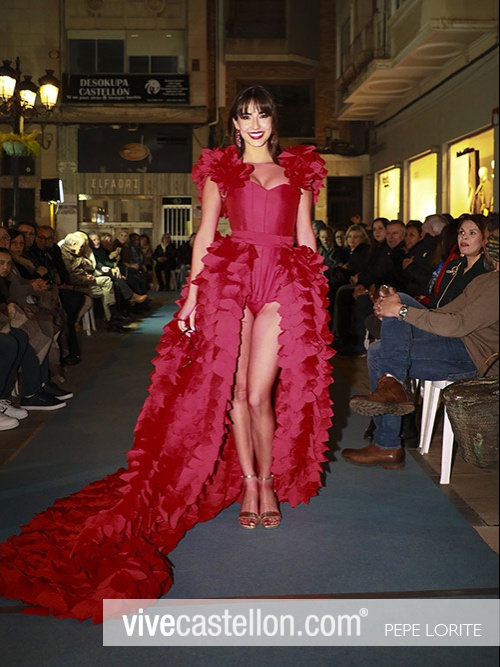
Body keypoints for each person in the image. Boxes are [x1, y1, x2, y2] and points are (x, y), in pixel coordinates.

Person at [0, 85, 333, 622]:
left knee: (258, 393)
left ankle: (268, 482)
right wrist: (194, 298)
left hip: (283, 282)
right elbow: (204, 235)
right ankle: (250, 484)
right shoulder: (221, 170)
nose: (254, 123)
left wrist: (315, 299)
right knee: (236, 396)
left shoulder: (299, 171)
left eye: (262, 115)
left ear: (274, 122)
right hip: (232, 279)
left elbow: (305, 237)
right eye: (245, 115)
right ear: (234, 123)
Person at [342, 229, 499, 469]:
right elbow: (446, 313)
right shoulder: (486, 280)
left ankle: (387, 442)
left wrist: (402, 312)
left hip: (475, 359)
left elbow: (457, 324)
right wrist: (396, 308)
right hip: (457, 343)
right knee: (399, 301)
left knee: (381, 350)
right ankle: (392, 387)